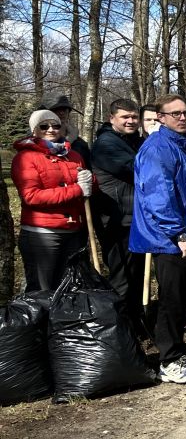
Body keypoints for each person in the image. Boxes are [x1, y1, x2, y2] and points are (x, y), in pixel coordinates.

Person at [129, 94, 186, 384]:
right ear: (161, 118)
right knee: (171, 298)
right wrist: (179, 233)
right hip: (168, 239)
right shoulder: (157, 148)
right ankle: (169, 359)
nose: (183, 117)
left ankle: (179, 352)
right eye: (175, 114)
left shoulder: (181, 146)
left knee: (185, 296)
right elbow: (158, 196)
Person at [12, 108, 90, 292]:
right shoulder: (25, 158)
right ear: (34, 130)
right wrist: (77, 189)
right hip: (43, 234)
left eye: (56, 125)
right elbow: (31, 196)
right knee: (42, 291)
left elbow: (87, 190)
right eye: (44, 126)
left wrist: (90, 180)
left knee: (70, 290)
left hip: (73, 231)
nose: (51, 129)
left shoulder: (73, 155)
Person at [91, 99, 145, 322]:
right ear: (111, 118)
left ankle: (135, 323)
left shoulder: (134, 141)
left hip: (135, 218)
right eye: (125, 117)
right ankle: (116, 326)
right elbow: (136, 168)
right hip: (117, 219)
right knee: (122, 277)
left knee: (136, 274)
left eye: (134, 117)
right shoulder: (106, 144)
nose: (131, 121)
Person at [45, 95, 91, 167]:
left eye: (64, 110)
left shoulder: (79, 144)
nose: (61, 113)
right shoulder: (37, 142)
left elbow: (88, 168)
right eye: (57, 109)